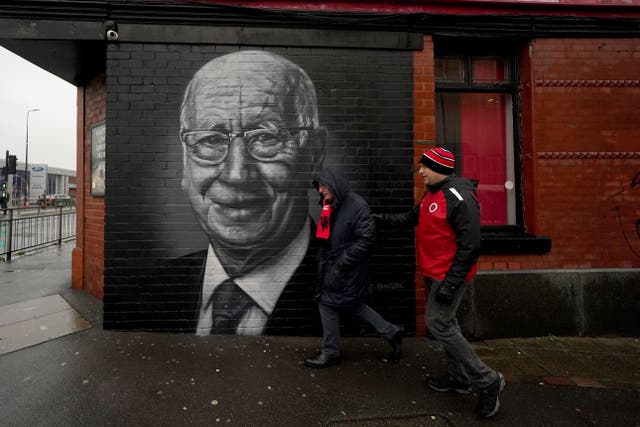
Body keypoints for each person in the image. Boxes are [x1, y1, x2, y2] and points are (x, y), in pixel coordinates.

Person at [177, 50, 326, 336]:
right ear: (185, 161)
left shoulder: (345, 290)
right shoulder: (146, 288)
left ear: (314, 154)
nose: (236, 174)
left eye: (266, 137)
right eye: (211, 140)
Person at [375, 147, 505, 418]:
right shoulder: (431, 194)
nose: (420, 171)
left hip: (448, 276)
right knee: (447, 323)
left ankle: (487, 379)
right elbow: (412, 218)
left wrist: (450, 283)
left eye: (424, 166)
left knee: (437, 322)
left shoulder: (460, 198)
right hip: (433, 272)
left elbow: (470, 246)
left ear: (439, 168)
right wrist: (380, 220)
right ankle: (458, 377)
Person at [303, 165, 403, 368]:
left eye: (323, 186)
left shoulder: (357, 206)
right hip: (332, 266)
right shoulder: (329, 203)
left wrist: (342, 261)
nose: (320, 191)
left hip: (346, 269)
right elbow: (323, 235)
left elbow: (367, 239)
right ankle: (391, 332)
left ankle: (331, 352)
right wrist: (325, 209)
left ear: (334, 184)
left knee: (327, 304)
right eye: (319, 187)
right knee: (354, 306)